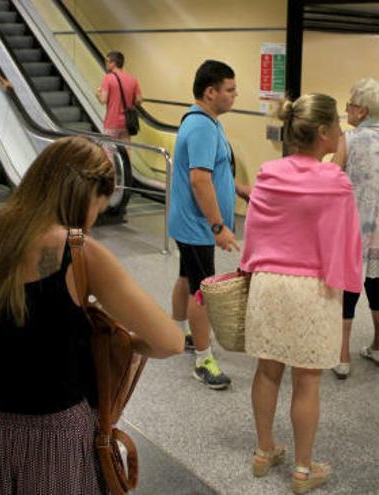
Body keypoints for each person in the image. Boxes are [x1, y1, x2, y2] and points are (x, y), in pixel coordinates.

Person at [0, 136, 184, 493]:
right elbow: (170, 342)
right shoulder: (79, 251)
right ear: (87, 195)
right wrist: (123, 343)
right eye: (98, 208)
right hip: (56, 440)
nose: (93, 221)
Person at [241, 93, 361, 494]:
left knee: (267, 371)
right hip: (313, 287)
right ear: (324, 133)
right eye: (339, 126)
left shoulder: (268, 172)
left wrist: (248, 270)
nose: (342, 133)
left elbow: (254, 231)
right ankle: (303, 472)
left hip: (268, 284)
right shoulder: (336, 181)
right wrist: (348, 283)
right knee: (307, 381)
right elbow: (346, 242)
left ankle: (263, 452)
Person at [167, 59, 240, 390]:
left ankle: (179, 330)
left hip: (191, 223)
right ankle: (203, 360)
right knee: (203, 292)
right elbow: (199, 180)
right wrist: (217, 226)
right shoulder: (200, 127)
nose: (234, 95)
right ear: (210, 92)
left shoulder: (208, 122)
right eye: (230, 89)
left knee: (187, 277)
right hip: (198, 225)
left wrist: (239, 189)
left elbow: (215, 169)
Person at [331, 77, 379, 379]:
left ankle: (343, 356)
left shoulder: (348, 139)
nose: (347, 109)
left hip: (354, 219)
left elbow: (331, 180)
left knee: (349, 285)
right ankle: (378, 347)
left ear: (361, 110)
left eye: (349, 104)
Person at [95, 51, 142, 141]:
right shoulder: (132, 79)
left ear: (113, 63)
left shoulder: (108, 78)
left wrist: (98, 95)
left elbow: (103, 100)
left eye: (107, 61)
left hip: (112, 122)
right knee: (126, 151)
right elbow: (139, 100)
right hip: (127, 123)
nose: (106, 64)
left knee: (108, 151)